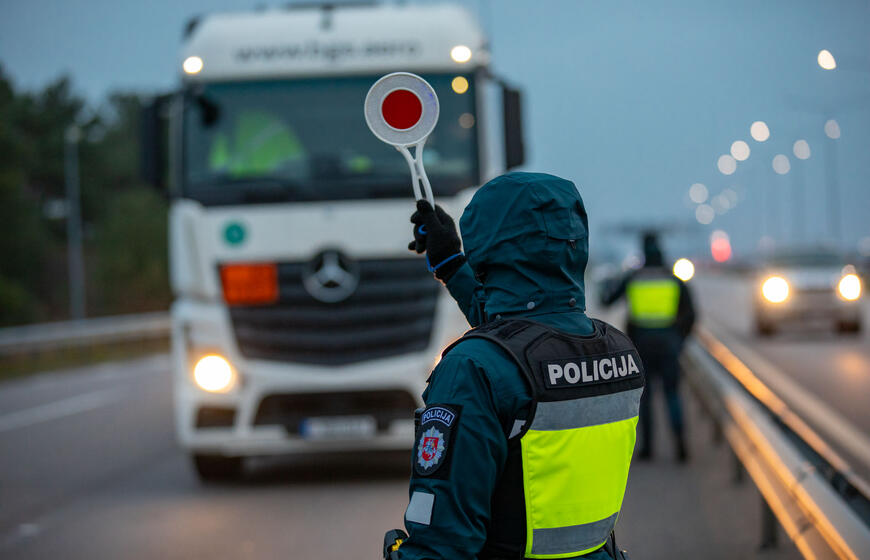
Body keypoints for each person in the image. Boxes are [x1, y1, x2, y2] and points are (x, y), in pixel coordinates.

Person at [384, 172, 643, 560]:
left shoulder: (472, 369)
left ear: (486, 246)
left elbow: (442, 545)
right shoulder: (618, 353)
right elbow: (521, 336)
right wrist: (451, 263)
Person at [600, 233, 695, 462]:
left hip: (640, 346)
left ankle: (648, 449)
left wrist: (609, 281)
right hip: (669, 345)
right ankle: (681, 445)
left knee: (645, 398)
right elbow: (691, 314)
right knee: (672, 394)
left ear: (643, 251)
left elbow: (607, 300)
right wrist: (679, 339)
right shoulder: (673, 279)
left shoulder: (634, 278)